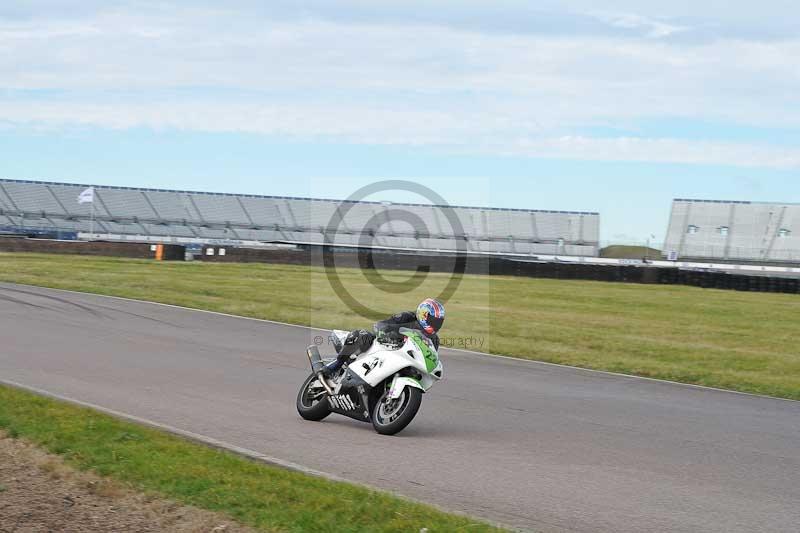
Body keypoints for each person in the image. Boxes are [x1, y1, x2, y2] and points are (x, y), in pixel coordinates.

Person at [320, 298, 445, 377]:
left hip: (405, 359)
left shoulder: (434, 340)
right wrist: (387, 333)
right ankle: (336, 364)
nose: (436, 324)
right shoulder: (407, 317)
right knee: (362, 335)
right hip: (384, 344)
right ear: (424, 315)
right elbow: (381, 324)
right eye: (433, 320)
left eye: (438, 321)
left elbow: (428, 357)